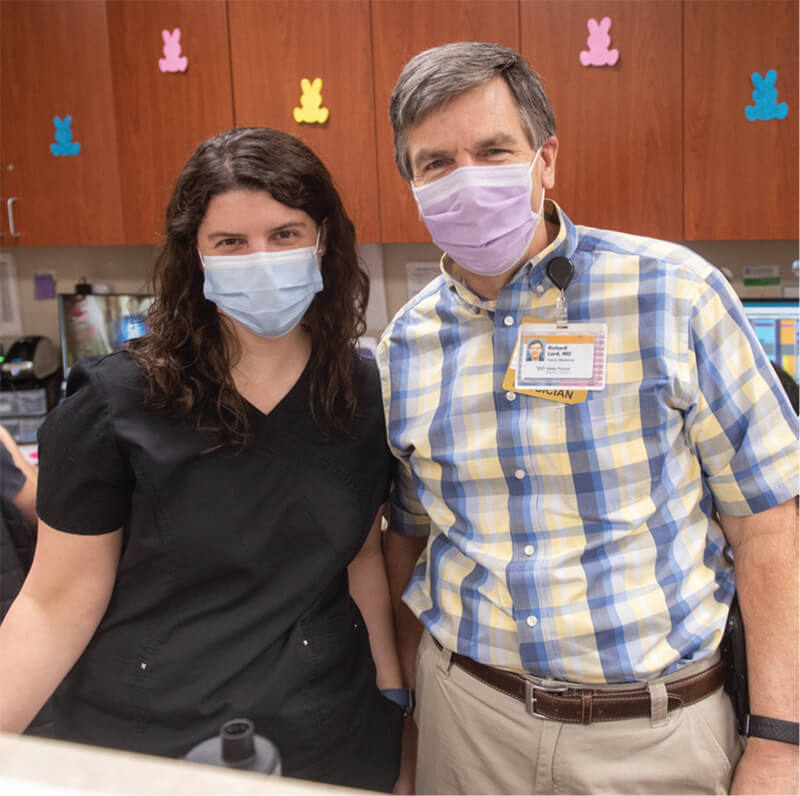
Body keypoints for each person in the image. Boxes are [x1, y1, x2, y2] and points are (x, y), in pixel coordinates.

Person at [378, 42, 798, 795]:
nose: (467, 180)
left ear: (545, 161)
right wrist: (414, 716)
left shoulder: (676, 294)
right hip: (467, 723)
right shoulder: (402, 347)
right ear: (409, 180)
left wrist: (780, 741)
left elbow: (769, 524)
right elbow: (408, 540)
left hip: (657, 737)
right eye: (436, 163)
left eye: (493, 151)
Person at [0, 127, 406, 791]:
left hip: (331, 738)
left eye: (284, 234)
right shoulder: (114, 405)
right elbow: (52, 605)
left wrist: (395, 705)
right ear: (196, 254)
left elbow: (360, 558)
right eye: (231, 243)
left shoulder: (362, 395)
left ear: (322, 240)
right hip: (153, 742)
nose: (262, 257)